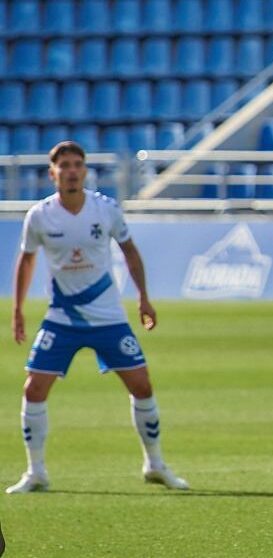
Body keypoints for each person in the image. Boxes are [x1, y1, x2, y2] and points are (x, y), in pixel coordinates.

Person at [7, 142, 188, 493]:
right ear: (52, 173)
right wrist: (17, 308)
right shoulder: (40, 216)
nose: (72, 171)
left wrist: (144, 299)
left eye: (77, 164)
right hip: (62, 317)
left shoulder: (105, 210)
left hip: (108, 316)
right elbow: (26, 260)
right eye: (65, 166)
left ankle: (155, 464)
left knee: (142, 384)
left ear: (85, 170)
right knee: (34, 388)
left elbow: (130, 252)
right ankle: (36, 471)